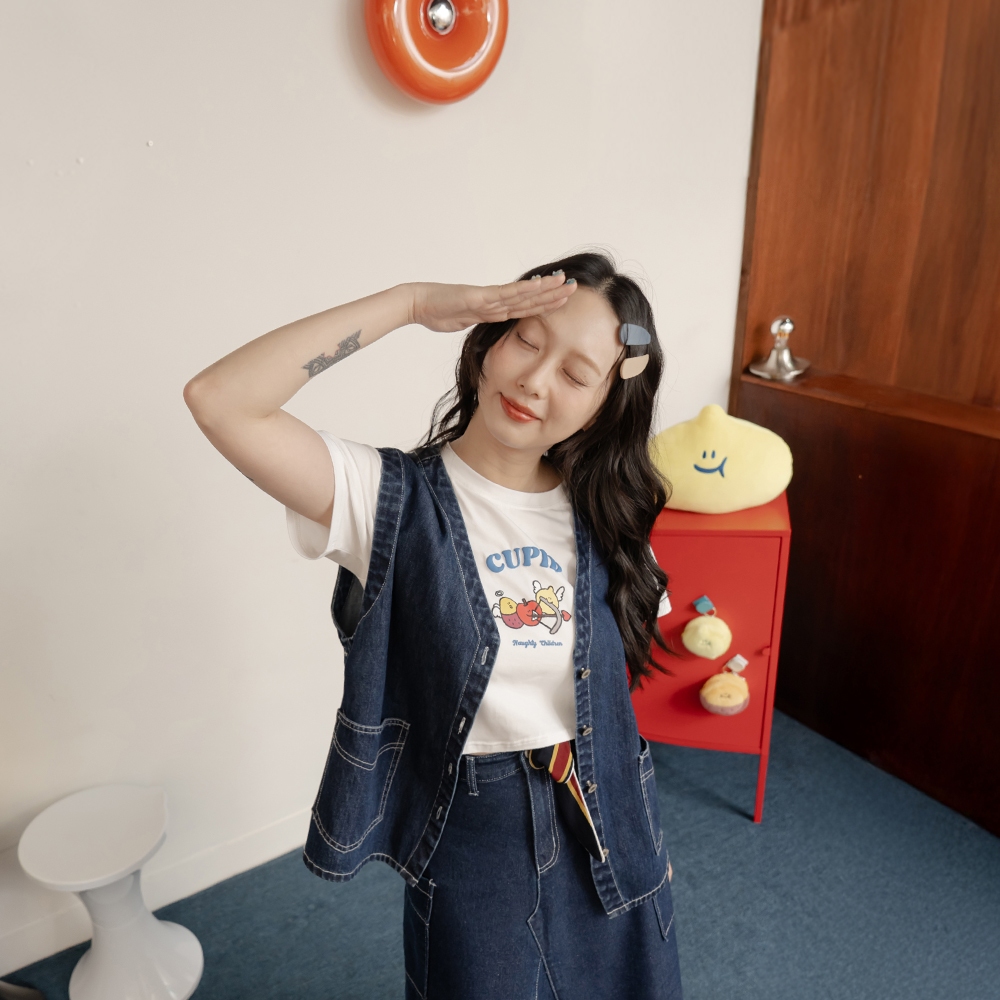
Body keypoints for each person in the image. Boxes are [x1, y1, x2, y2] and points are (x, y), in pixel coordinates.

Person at [184, 251, 683, 999]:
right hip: (475, 834)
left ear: (604, 405)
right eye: (527, 340)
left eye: (577, 375)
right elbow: (221, 400)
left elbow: (613, 689)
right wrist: (413, 302)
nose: (535, 380)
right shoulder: (384, 499)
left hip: (608, 810)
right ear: (489, 339)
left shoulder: (607, 515)